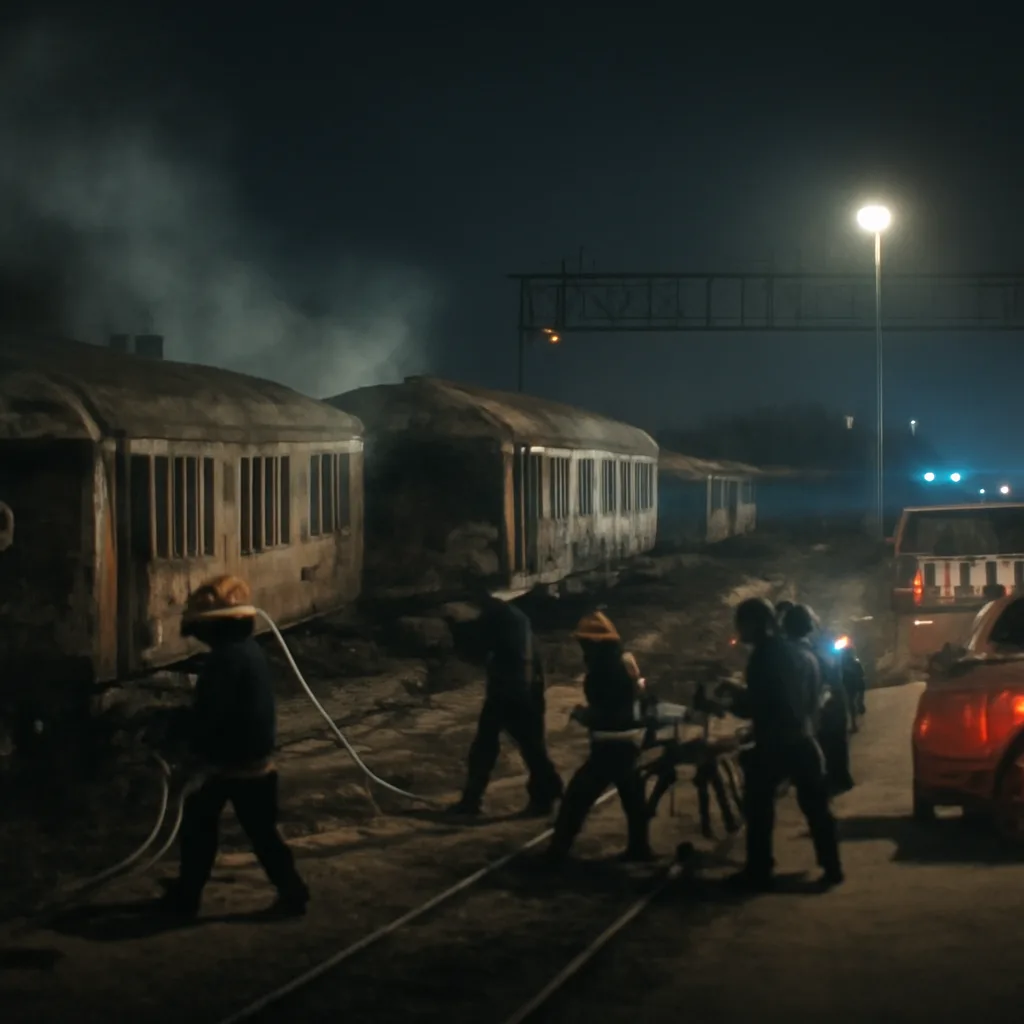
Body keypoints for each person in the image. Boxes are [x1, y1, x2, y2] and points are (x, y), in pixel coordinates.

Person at [158, 575, 310, 920]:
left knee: (201, 829)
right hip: (255, 762)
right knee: (259, 833)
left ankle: (186, 899)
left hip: (230, 763)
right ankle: (292, 891)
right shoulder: (247, 652)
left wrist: (182, 739)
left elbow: (213, 715)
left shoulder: (224, 661)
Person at [718, 597, 842, 890]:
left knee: (758, 807)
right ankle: (832, 866)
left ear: (756, 624)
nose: (740, 632)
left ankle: (759, 869)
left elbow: (761, 705)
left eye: (742, 625)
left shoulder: (763, 657)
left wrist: (733, 699)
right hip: (807, 741)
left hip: (775, 744)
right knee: (817, 809)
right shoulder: (802, 652)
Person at [545, 611, 653, 864]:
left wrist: (583, 716)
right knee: (634, 801)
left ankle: (558, 850)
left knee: (576, 799)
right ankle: (640, 849)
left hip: (608, 744)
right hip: (631, 742)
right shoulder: (625, 662)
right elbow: (635, 696)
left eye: (584, 643)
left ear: (594, 644)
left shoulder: (600, 673)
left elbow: (606, 711)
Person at [449, 596, 563, 817]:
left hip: (511, 690)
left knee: (492, 746)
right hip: (526, 688)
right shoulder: (512, 617)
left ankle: (473, 801)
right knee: (529, 746)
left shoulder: (498, 620)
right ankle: (546, 795)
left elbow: (481, 652)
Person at [782, 604, 854, 796]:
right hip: (821, 709)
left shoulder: (806, 651)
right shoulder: (804, 650)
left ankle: (833, 779)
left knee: (832, 746)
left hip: (826, 707)